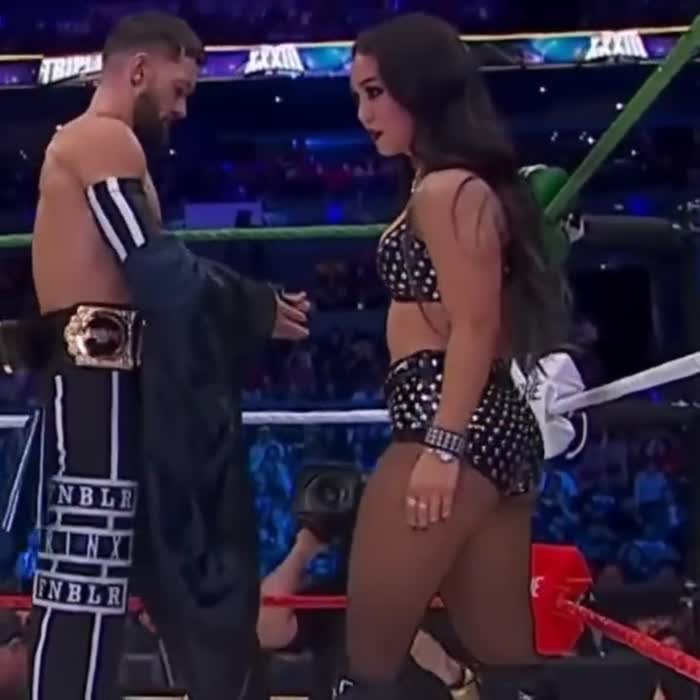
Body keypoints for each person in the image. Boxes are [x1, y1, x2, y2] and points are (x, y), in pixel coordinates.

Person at [0, 11, 310, 700]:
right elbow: (152, 261)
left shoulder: (96, 142)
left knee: (114, 567)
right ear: (139, 70)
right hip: (96, 381)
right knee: (87, 570)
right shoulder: (102, 138)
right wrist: (250, 305)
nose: (181, 108)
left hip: (108, 379)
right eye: (179, 88)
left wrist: (249, 305)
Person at [339, 13, 569, 699]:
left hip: (449, 423)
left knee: (368, 663)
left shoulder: (448, 190)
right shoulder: (450, 187)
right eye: (358, 96)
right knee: (508, 663)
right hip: (487, 430)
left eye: (376, 92)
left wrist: (442, 448)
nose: (364, 113)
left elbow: (474, 325)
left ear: (422, 89)